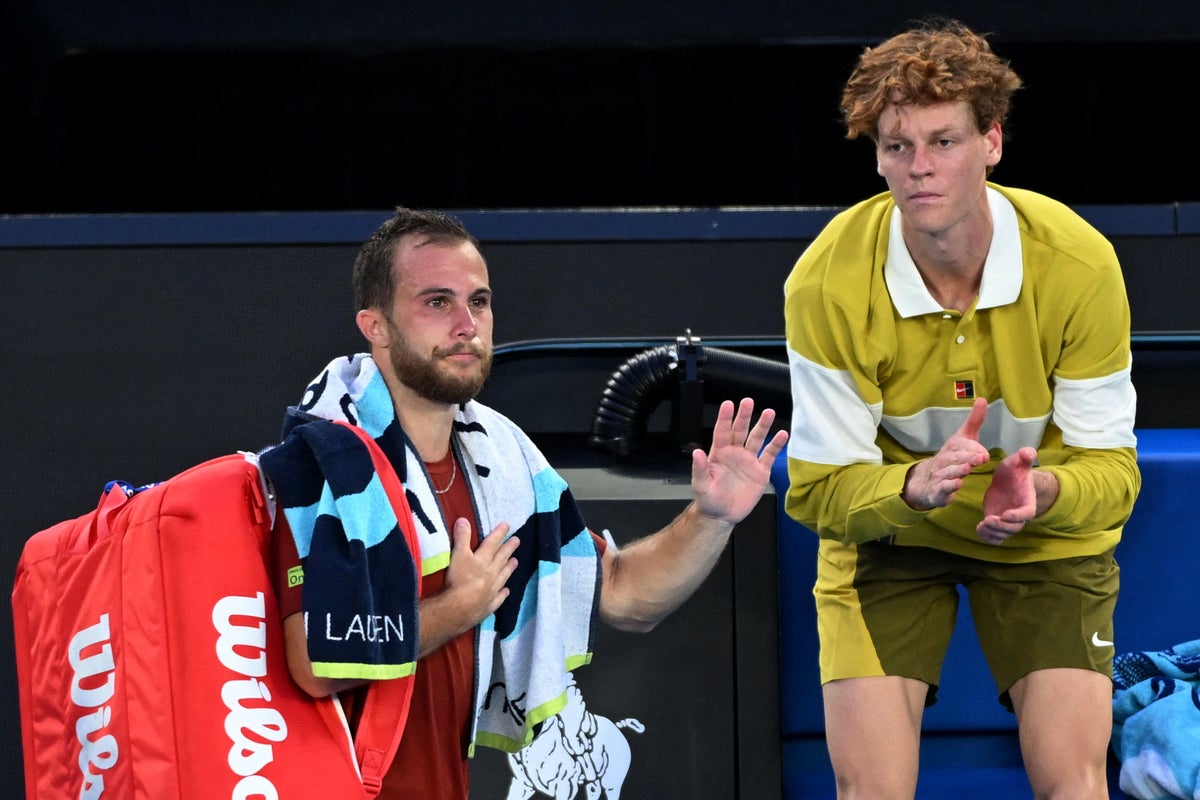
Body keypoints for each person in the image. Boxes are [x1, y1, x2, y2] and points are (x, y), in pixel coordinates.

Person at [263, 206, 788, 800]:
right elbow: (318, 662)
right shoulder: (323, 462)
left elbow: (622, 596)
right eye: (437, 302)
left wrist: (710, 518)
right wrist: (463, 606)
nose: (468, 324)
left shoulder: (503, 462)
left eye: (479, 302)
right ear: (375, 323)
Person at [782, 17, 1140, 799]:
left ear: (993, 143)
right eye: (896, 146)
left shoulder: (1079, 264)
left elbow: (1112, 473)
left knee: (1075, 786)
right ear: (876, 157)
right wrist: (910, 488)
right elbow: (816, 489)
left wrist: (1041, 489)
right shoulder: (825, 282)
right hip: (890, 535)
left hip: (1044, 537)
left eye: (943, 141)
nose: (919, 168)